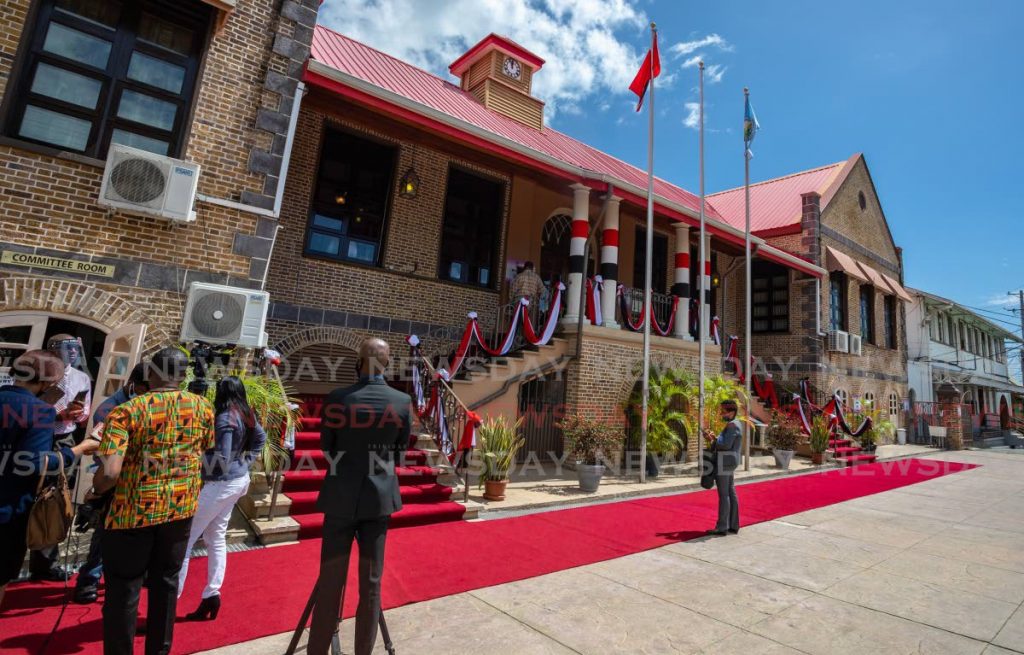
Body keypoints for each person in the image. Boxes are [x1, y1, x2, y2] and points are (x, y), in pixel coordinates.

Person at [89, 347, 214, 655]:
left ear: (152, 373)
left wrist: (96, 490)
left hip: (132, 512)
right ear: (183, 376)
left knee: (124, 589)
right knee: (166, 584)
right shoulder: (203, 407)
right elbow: (203, 452)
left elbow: (111, 471)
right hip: (179, 510)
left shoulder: (127, 411)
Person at [308, 338, 412, 655]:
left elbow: (327, 447)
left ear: (358, 362)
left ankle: (317, 650)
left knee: (330, 581)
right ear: (387, 363)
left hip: (341, 497)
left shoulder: (338, 398)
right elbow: (399, 451)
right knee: (371, 585)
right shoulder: (401, 400)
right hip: (377, 500)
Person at [0, 350, 99, 610]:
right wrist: (77, 450)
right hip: (8, 509)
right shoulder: (39, 411)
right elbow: (35, 464)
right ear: (46, 384)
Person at [177, 375, 267, 619]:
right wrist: (246, 462)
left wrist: (191, 461)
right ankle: (212, 594)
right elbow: (260, 438)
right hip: (237, 481)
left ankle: (168, 603)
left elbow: (222, 459)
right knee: (215, 537)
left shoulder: (226, 417)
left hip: (221, 484)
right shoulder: (245, 412)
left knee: (184, 540)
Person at [73, 363, 150, 605]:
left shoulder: (144, 405)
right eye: (146, 389)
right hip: (114, 478)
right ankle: (89, 580)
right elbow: (101, 451)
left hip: (140, 478)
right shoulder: (110, 409)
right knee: (104, 533)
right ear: (134, 385)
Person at [28, 334, 92, 582]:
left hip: (64, 439)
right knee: (29, 493)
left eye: (76, 348)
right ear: (52, 350)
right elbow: (28, 408)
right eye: (68, 348)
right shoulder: (36, 373)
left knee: (54, 499)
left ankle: (44, 563)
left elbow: (84, 411)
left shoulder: (81, 377)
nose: (73, 352)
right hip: (36, 436)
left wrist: (76, 415)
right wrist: (56, 413)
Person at [705, 399, 742, 536]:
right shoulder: (736, 423)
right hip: (730, 461)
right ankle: (733, 524)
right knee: (731, 492)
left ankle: (722, 527)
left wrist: (712, 440)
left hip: (725, 461)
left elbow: (725, 445)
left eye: (723, 411)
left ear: (732, 412)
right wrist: (715, 439)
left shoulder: (732, 425)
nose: (721, 414)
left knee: (724, 494)